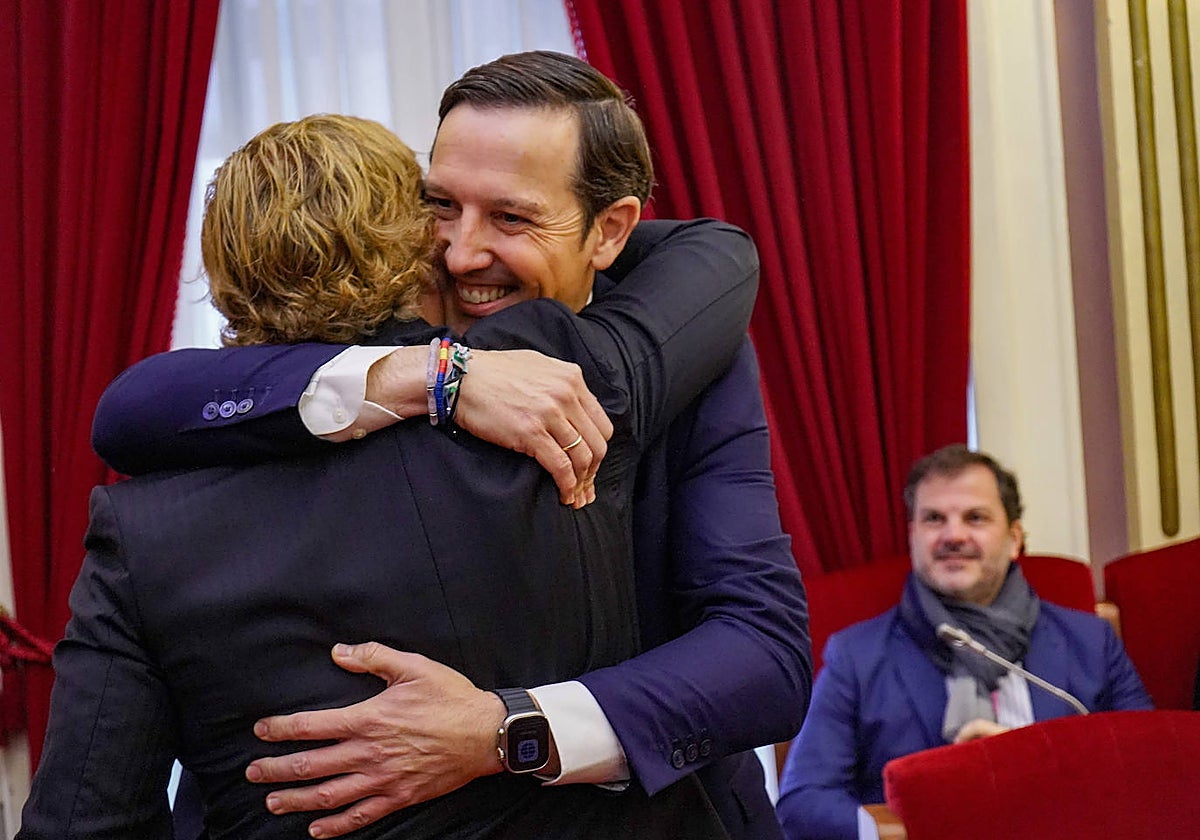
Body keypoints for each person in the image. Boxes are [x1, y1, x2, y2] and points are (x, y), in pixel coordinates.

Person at [90, 51, 810, 840]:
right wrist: (426, 375)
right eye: (441, 206)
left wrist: (510, 730)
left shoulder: (677, 349)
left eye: (512, 219)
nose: (462, 254)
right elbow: (131, 411)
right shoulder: (356, 369)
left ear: (609, 230)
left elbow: (763, 653)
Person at [775, 444, 1153, 840]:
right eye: (934, 519)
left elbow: (1149, 765)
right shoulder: (856, 656)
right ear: (913, 536)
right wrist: (897, 833)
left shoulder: (1091, 642)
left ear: (1014, 539)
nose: (953, 536)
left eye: (975, 517)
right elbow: (802, 803)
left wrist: (1031, 765)